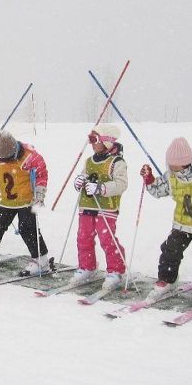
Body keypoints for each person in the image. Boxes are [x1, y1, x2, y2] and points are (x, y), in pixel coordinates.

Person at [140, 137, 192, 304]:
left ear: (185, 162)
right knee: (170, 250)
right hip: (183, 221)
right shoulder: (171, 176)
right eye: (169, 163)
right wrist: (149, 179)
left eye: (173, 164)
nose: (170, 166)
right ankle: (167, 279)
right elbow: (158, 191)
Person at [0, 131, 49, 275]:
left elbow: (42, 174)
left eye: (9, 158)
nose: (7, 161)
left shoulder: (30, 156)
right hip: (7, 201)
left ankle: (41, 260)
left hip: (26, 200)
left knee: (28, 227)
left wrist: (40, 193)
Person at [72, 124, 128, 290]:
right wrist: (79, 182)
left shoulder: (117, 162)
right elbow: (84, 176)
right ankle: (87, 267)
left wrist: (101, 188)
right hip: (87, 205)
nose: (91, 143)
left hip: (106, 208)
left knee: (107, 238)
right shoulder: (89, 161)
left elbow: (121, 184)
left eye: (94, 139)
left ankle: (116, 270)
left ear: (107, 142)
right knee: (83, 237)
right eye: (90, 139)